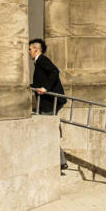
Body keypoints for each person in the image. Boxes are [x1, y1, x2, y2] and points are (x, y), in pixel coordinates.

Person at [29, 38, 67, 172]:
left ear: (36, 49)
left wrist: (45, 88)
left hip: (50, 102)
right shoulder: (38, 62)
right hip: (48, 102)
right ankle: (61, 162)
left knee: (48, 132)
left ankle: (60, 162)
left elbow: (54, 72)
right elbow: (41, 80)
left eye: (30, 49)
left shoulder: (42, 60)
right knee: (49, 131)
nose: (29, 52)